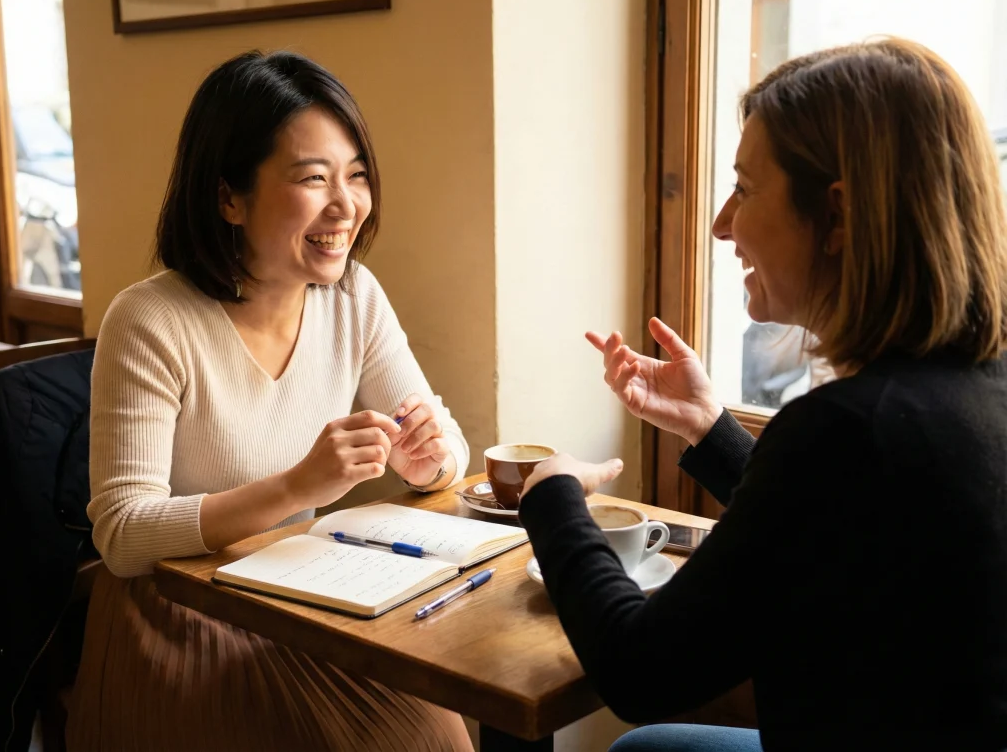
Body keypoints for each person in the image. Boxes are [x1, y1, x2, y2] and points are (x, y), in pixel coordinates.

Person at [517, 38, 1007, 752]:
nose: (722, 224)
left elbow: (638, 668)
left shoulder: (845, 429)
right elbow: (843, 521)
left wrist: (552, 496)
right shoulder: (966, 392)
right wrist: (712, 429)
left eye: (745, 189)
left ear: (837, 217)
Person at [67, 50, 473, 751]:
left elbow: (449, 451)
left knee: (436, 724)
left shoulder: (354, 296)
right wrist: (296, 486)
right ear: (229, 196)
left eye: (356, 175)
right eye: (313, 178)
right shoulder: (149, 319)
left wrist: (426, 460)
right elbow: (123, 534)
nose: (345, 205)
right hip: (175, 614)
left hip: (299, 596)